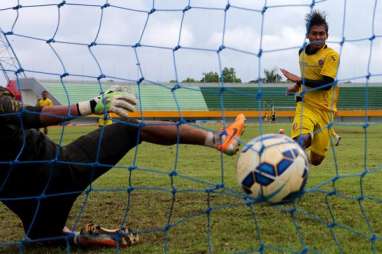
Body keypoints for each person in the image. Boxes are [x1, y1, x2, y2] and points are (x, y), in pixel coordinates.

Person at [0, 86, 246, 247]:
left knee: (42, 236)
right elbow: (30, 116)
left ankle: (76, 238)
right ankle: (216, 139)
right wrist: (90, 106)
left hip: (33, 213)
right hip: (62, 171)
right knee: (130, 130)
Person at [280, 10, 340, 166]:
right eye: (314, 34)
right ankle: (281, 162)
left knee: (316, 160)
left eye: (322, 34)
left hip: (324, 111)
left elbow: (326, 85)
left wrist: (300, 80)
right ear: (307, 35)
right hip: (305, 105)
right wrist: (297, 86)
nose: (318, 37)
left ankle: (301, 149)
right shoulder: (301, 52)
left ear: (327, 35)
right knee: (301, 141)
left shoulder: (331, 56)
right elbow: (307, 77)